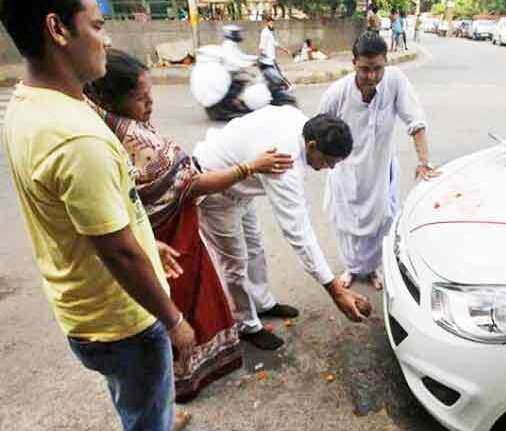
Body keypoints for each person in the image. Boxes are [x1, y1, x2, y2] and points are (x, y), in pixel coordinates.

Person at [0, 1, 218, 431]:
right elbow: (117, 251)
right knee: (144, 418)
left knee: (135, 396)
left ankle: (157, 428)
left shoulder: (29, 104)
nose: (107, 39)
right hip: (123, 322)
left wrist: (144, 239)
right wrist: (174, 319)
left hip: (84, 309)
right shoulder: (79, 138)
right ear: (57, 28)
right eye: (97, 26)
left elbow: (90, 220)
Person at [86, 49, 294, 402]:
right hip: (164, 239)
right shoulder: (128, 140)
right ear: (113, 98)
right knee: (183, 305)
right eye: (141, 99)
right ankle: (180, 380)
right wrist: (249, 167)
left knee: (206, 289)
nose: (150, 105)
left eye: (151, 96)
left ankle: (199, 365)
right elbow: (191, 184)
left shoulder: (119, 124)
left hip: (175, 229)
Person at [193, 107, 373, 350]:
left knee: (254, 248)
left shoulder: (302, 121)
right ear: (310, 146)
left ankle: (263, 303)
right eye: (328, 161)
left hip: (241, 187)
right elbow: (298, 231)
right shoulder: (283, 162)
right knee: (234, 262)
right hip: (216, 187)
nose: (330, 168)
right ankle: (246, 324)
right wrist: (336, 290)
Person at [318, 32, 439, 291]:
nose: (371, 76)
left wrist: (424, 161)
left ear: (386, 62)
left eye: (377, 69)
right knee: (347, 222)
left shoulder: (395, 81)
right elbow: (319, 131)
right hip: (346, 169)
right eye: (364, 69)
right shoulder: (336, 93)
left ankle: (371, 268)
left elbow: (415, 120)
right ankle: (352, 267)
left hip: (381, 168)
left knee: (382, 220)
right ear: (353, 63)